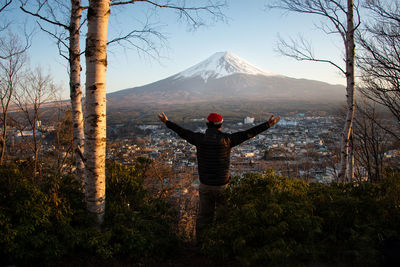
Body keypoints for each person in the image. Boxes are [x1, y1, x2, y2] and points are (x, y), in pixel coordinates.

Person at [157, 112, 280, 243]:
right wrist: (267, 124)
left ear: (207, 124)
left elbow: (182, 131)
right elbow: (248, 133)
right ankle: (222, 245)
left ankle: (201, 246)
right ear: (221, 125)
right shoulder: (227, 140)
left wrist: (166, 122)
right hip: (223, 185)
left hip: (205, 185)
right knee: (224, 216)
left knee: (204, 217)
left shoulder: (199, 138)